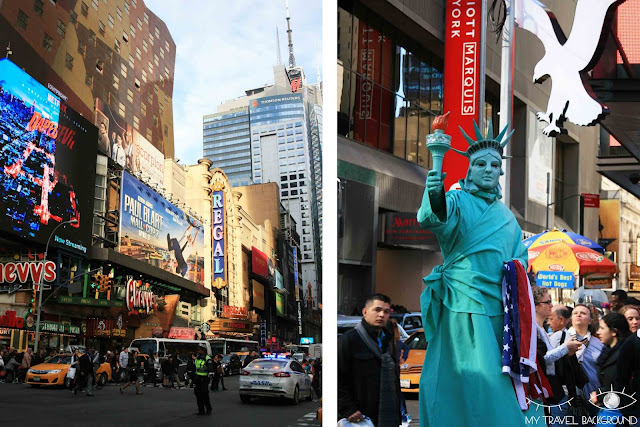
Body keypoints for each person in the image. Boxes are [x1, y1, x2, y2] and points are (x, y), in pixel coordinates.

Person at [415, 118, 533, 425]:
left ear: (500, 173)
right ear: (470, 168)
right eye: (481, 164)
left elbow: (521, 262)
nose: (489, 170)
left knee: (495, 385)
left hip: (501, 316)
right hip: (462, 308)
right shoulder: (457, 199)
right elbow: (435, 216)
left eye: (495, 166)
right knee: (465, 384)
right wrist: (435, 183)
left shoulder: (508, 218)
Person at [338, 293, 400, 426]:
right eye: (377, 310)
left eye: (386, 311)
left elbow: (395, 379)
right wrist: (349, 409)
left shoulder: (388, 341)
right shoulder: (350, 339)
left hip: (388, 413)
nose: (382, 315)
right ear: (365, 312)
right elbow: (337, 377)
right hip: (361, 415)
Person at [532, 286, 583, 425]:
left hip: (555, 389)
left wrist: (568, 350)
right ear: (536, 306)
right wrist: (566, 348)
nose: (551, 305)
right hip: (549, 390)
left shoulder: (540, 327)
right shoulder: (534, 328)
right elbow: (543, 359)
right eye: (547, 302)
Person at [549, 303, 603, 425]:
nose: (578, 314)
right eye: (575, 313)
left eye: (583, 313)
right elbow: (548, 361)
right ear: (571, 319)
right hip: (564, 397)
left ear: (590, 320)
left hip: (591, 397)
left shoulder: (598, 343)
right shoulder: (559, 337)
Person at [591, 312, 631, 408]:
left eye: (602, 328)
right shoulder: (606, 352)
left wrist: (600, 395)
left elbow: (627, 388)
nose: (598, 332)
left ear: (614, 332)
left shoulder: (627, 353)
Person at [193, 344, 214, 415]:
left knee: (204, 394)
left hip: (204, 378)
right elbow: (194, 368)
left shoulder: (207, 359)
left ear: (203, 350)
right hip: (197, 378)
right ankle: (201, 410)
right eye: (198, 350)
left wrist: (205, 368)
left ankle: (208, 409)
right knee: (197, 394)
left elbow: (210, 369)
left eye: (200, 350)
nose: (198, 351)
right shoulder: (197, 358)